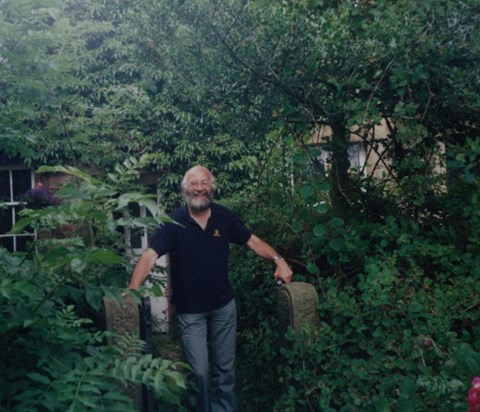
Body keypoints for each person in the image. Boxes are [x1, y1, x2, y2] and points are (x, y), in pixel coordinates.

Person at [128, 165, 293, 412]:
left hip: (223, 308)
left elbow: (251, 240)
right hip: (191, 312)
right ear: (185, 189)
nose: (199, 188)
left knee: (225, 371)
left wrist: (279, 260)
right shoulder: (173, 222)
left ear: (211, 187)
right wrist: (132, 289)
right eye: (194, 183)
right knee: (200, 372)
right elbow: (150, 255)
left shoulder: (223, 217)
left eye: (204, 183)